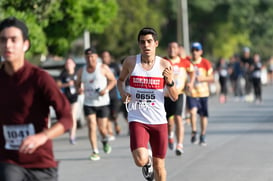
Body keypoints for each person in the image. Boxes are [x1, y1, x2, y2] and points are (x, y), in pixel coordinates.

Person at [0, 17, 72, 181]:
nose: (8, 45)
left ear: (25, 44)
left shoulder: (40, 78)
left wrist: (43, 136)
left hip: (41, 164)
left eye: (13, 40)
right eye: (3, 40)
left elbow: (67, 118)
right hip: (8, 161)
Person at [117, 27, 178, 181]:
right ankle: (147, 163)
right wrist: (123, 93)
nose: (146, 45)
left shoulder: (164, 65)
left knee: (160, 167)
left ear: (156, 43)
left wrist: (170, 82)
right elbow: (120, 81)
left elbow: (174, 96)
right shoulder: (131, 62)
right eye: (143, 42)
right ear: (139, 44)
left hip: (158, 120)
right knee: (140, 160)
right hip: (138, 117)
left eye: (149, 41)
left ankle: (152, 163)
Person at [76, 47, 116, 161]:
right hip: (88, 103)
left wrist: (106, 90)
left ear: (96, 57)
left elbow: (113, 80)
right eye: (87, 57)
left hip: (102, 103)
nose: (90, 59)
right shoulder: (81, 71)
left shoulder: (102, 68)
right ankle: (95, 151)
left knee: (102, 129)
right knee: (91, 126)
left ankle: (104, 141)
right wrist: (79, 89)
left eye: (92, 57)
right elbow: (77, 83)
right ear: (85, 58)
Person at [163, 42, 194, 156]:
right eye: (170, 47)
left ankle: (179, 144)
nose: (172, 50)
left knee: (178, 118)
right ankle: (170, 135)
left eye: (174, 48)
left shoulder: (184, 62)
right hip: (165, 95)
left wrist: (190, 83)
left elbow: (192, 72)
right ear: (167, 49)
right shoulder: (163, 61)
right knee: (167, 122)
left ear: (178, 50)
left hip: (179, 93)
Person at [186, 42, 214, 146]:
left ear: (201, 51)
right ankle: (194, 131)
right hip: (192, 93)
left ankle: (203, 135)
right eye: (193, 50)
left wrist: (203, 78)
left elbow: (211, 78)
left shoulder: (205, 63)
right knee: (193, 112)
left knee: (203, 116)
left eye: (197, 50)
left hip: (203, 93)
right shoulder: (187, 61)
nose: (194, 52)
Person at [56, 57, 79, 144]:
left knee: (73, 116)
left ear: (74, 64)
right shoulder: (63, 74)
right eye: (67, 63)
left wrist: (79, 86)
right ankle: (68, 129)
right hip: (65, 98)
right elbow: (58, 85)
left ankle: (72, 135)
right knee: (67, 116)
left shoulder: (77, 73)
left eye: (70, 63)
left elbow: (82, 83)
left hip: (75, 97)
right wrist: (66, 84)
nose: (68, 65)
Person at [101, 51, 122, 139]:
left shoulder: (114, 66)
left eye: (106, 56)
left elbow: (121, 77)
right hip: (104, 94)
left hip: (114, 93)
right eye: (103, 56)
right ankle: (110, 131)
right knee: (107, 113)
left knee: (114, 114)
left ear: (109, 57)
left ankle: (116, 123)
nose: (105, 58)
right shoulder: (100, 67)